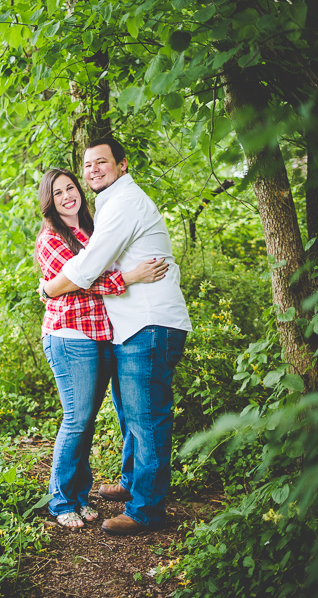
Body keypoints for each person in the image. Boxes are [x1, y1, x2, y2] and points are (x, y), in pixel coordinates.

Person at [40, 139, 192, 535]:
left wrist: (49, 288)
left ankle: (146, 510)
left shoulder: (123, 203)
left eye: (102, 162)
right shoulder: (107, 206)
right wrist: (124, 277)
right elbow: (95, 271)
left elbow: (87, 269)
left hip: (149, 324)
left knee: (147, 419)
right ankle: (131, 483)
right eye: (87, 164)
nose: (92, 169)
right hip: (128, 328)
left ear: (122, 165)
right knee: (130, 414)